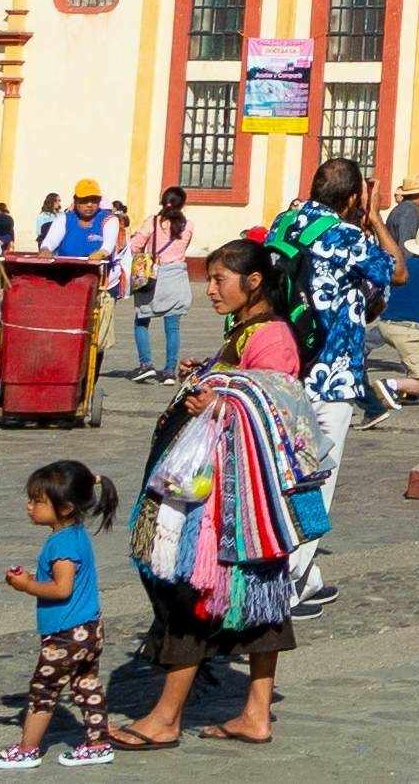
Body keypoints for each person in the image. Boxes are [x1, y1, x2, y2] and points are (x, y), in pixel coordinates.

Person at [114, 239, 310, 748]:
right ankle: (255, 714)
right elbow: (244, 385)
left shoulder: (272, 338)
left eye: (220, 279)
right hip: (238, 500)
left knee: (195, 593)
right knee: (260, 601)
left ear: (254, 282)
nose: (211, 290)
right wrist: (210, 374)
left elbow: (277, 405)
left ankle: (164, 718)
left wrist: (220, 403)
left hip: (231, 502)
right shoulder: (245, 331)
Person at [266, 159, 394, 616]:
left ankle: (309, 576)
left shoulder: (288, 220)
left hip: (283, 365)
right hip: (332, 374)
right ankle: (289, 584)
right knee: (317, 480)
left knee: (288, 472)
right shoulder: (348, 237)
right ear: (354, 196)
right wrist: (375, 218)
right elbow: (394, 272)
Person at [0, 459, 120, 771]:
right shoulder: (75, 535)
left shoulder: (60, 544)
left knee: (42, 691)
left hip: (66, 633)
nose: (29, 506)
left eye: (38, 501)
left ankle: (27, 749)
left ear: (64, 507)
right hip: (89, 628)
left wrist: (27, 585)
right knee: (86, 684)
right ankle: (97, 743)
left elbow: (62, 589)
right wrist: (34, 578)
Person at [371, 212, 419, 407]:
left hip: (385, 324)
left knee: (416, 349)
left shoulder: (403, 265)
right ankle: (389, 385)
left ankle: (403, 393)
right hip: (407, 329)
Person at [125, 190, 195, 383]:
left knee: (141, 320)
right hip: (177, 276)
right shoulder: (187, 225)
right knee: (172, 327)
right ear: (183, 204)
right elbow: (184, 246)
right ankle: (169, 371)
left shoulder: (152, 222)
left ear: (162, 202)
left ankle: (146, 364)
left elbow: (134, 246)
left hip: (153, 276)